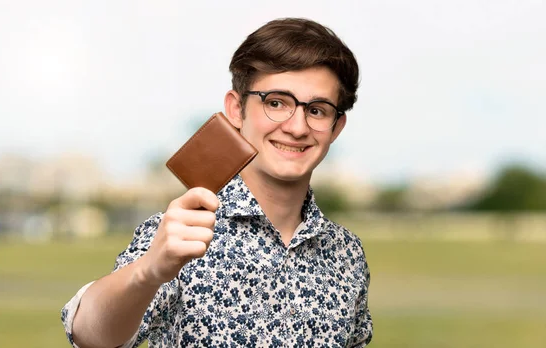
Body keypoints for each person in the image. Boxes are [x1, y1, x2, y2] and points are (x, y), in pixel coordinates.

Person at [61, 17, 373, 348]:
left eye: (317, 110)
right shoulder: (179, 231)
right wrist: (147, 271)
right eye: (276, 103)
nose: (297, 127)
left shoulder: (347, 254)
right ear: (236, 110)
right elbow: (88, 335)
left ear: (336, 128)